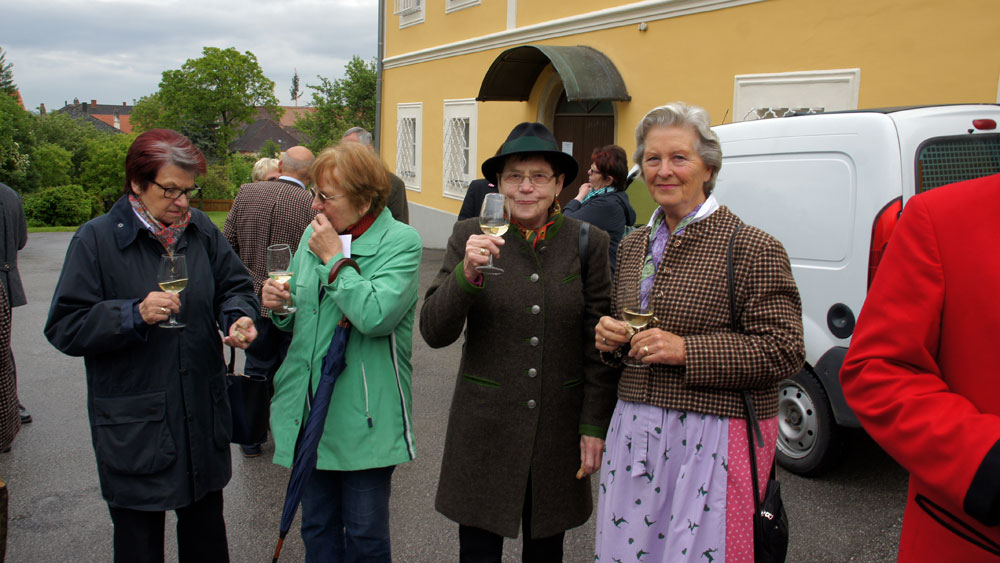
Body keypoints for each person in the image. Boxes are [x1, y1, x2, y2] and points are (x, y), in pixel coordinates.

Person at [593, 103, 804, 562]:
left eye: (679, 158)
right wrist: (611, 340)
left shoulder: (752, 246)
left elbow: (784, 350)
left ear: (708, 167)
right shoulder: (633, 246)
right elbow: (627, 329)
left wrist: (687, 350)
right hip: (634, 431)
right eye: (652, 159)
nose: (663, 170)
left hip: (714, 437)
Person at [44, 129, 260, 563]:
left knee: (206, 541)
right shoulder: (96, 240)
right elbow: (65, 326)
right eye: (171, 190)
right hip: (136, 426)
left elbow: (235, 287)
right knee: (139, 545)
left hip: (200, 412)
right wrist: (132, 314)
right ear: (137, 185)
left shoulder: (201, 232)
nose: (182, 201)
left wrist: (238, 316)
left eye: (188, 190)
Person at [420, 122, 619, 562]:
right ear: (499, 185)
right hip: (484, 429)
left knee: (546, 552)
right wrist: (465, 275)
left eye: (539, 177)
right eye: (515, 176)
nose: (526, 187)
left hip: (557, 433)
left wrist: (592, 425)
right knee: (478, 554)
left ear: (560, 184)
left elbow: (597, 348)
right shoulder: (469, 235)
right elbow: (434, 332)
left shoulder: (588, 243)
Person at [261, 141, 422, 561]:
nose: (313, 204)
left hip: (363, 415)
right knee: (317, 529)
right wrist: (279, 306)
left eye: (325, 197)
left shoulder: (401, 242)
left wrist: (335, 260)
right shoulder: (312, 234)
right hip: (309, 409)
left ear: (365, 198)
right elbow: (298, 310)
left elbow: (374, 315)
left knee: (365, 536)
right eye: (314, 193)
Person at [840, 173, 1000, 560]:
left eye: (678, 157)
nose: (665, 172)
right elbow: (876, 367)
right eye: (660, 157)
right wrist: (983, 460)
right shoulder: (945, 215)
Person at [224, 159, 316, 457]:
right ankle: (293, 435)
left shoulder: (247, 192)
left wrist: (247, 280)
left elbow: (228, 245)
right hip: (291, 301)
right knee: (293, 369)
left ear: (280, 164)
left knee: (256, 367)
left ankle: (252, 435)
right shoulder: (310, 202)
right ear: (310, 174)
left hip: (252, 298)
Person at [562, 144, 637, 276]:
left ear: (608, 180)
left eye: (593, 171)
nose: (588, 173)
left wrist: (579, 196)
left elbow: (565, 223)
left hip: (599, 283)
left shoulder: (607, 204)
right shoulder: (606, 197)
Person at [0, 182, 30, 426]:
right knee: (3, 347)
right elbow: (21, 240)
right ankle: (12, 406)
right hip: (6, 281)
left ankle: (8, 411)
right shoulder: (10, 194)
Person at [341, 126, 410, 224]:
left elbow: (401, 227)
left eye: (352, 150)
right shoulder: (338, 180)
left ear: (369, 149)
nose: (345, 155)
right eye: (343, 150)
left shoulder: (393, 184)